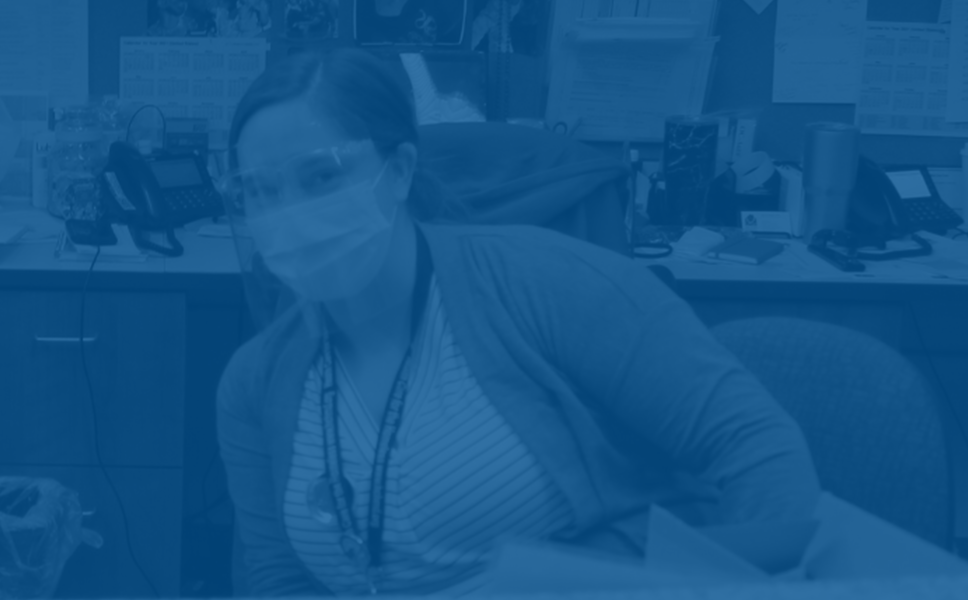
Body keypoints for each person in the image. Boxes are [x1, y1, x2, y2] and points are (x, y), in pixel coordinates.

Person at [213, 48, 821, 596]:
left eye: (321, 175)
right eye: (259, 191)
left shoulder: (545, 283)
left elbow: (754, 444)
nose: (290, 213)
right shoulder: (254, 381)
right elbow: (276, 579)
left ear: (398, 171)